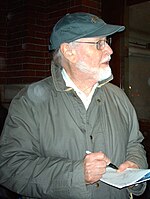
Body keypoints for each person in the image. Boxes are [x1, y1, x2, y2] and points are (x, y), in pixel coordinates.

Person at [0, 12, 148, 199]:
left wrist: (135, 166)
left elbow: (134, 143)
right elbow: (9, 166)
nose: (110, 50)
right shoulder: (28, 103)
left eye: (107, 41)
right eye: (99, 43)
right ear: (69, 51)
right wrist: (77, 174)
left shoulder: (118, 97)